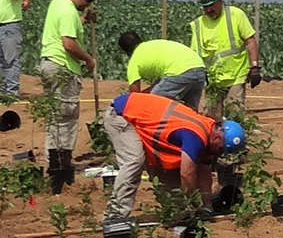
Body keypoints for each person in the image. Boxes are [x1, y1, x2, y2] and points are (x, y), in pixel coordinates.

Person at [101, 91, 244, 221]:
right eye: (220, 150)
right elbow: (187, 174)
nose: (218, 154)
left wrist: (207, 206)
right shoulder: (196, 135)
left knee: (178, 209)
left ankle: (173, 213)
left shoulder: (209, 132)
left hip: (148, 126)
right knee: (134, 160)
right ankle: (115, 215)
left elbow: (204, 169)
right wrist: (195, 204)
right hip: (123, 115)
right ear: (217, 138)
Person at [38, 0, 101, 193]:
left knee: (56, 116)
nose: (88, 6)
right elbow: (68, 43)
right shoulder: (68, 11)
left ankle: (57, 164)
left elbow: (68, 28)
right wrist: (88, 59)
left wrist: (84, 20)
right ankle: (59, 168)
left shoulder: (59, 3)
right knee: (64, 118)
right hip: (63, 68)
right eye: (88, 2)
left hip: (49, 64)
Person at [187, 0, 259, 119]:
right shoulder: (198, 25)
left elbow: (250, 41)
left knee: (234, 113)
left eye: (211, 5)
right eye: (205, 7)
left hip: (236, 75)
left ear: (220, 0)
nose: (208, 10)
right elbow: (195, 56)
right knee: (211, 118)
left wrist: (255, 67)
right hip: (212, 80)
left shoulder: (236, 15)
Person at [118, 31, 209, 110]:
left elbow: (136, 97)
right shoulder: (155, 44)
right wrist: (147, 92)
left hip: (179, 72)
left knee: (154, 103)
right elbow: (160, 83)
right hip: (199, 67)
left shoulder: (134, 61)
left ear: (125, 52)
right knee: (190, 110)